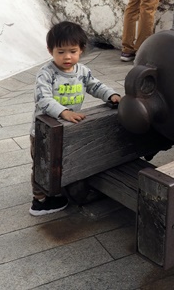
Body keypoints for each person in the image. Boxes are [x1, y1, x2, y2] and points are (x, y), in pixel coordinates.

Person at [29, 21, 120, 216]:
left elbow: (95, 86)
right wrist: (64, 112)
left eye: (72, 51)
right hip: (44, 132)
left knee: (61, 162)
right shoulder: (46, 73)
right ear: (50, 50)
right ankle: (40, 201)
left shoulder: (82, 72)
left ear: (81, 50)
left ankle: (59, 189)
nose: (67, 57)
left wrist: (111, 95)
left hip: (68, 130)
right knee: (42, 165)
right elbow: (43, 99)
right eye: (60, 52)